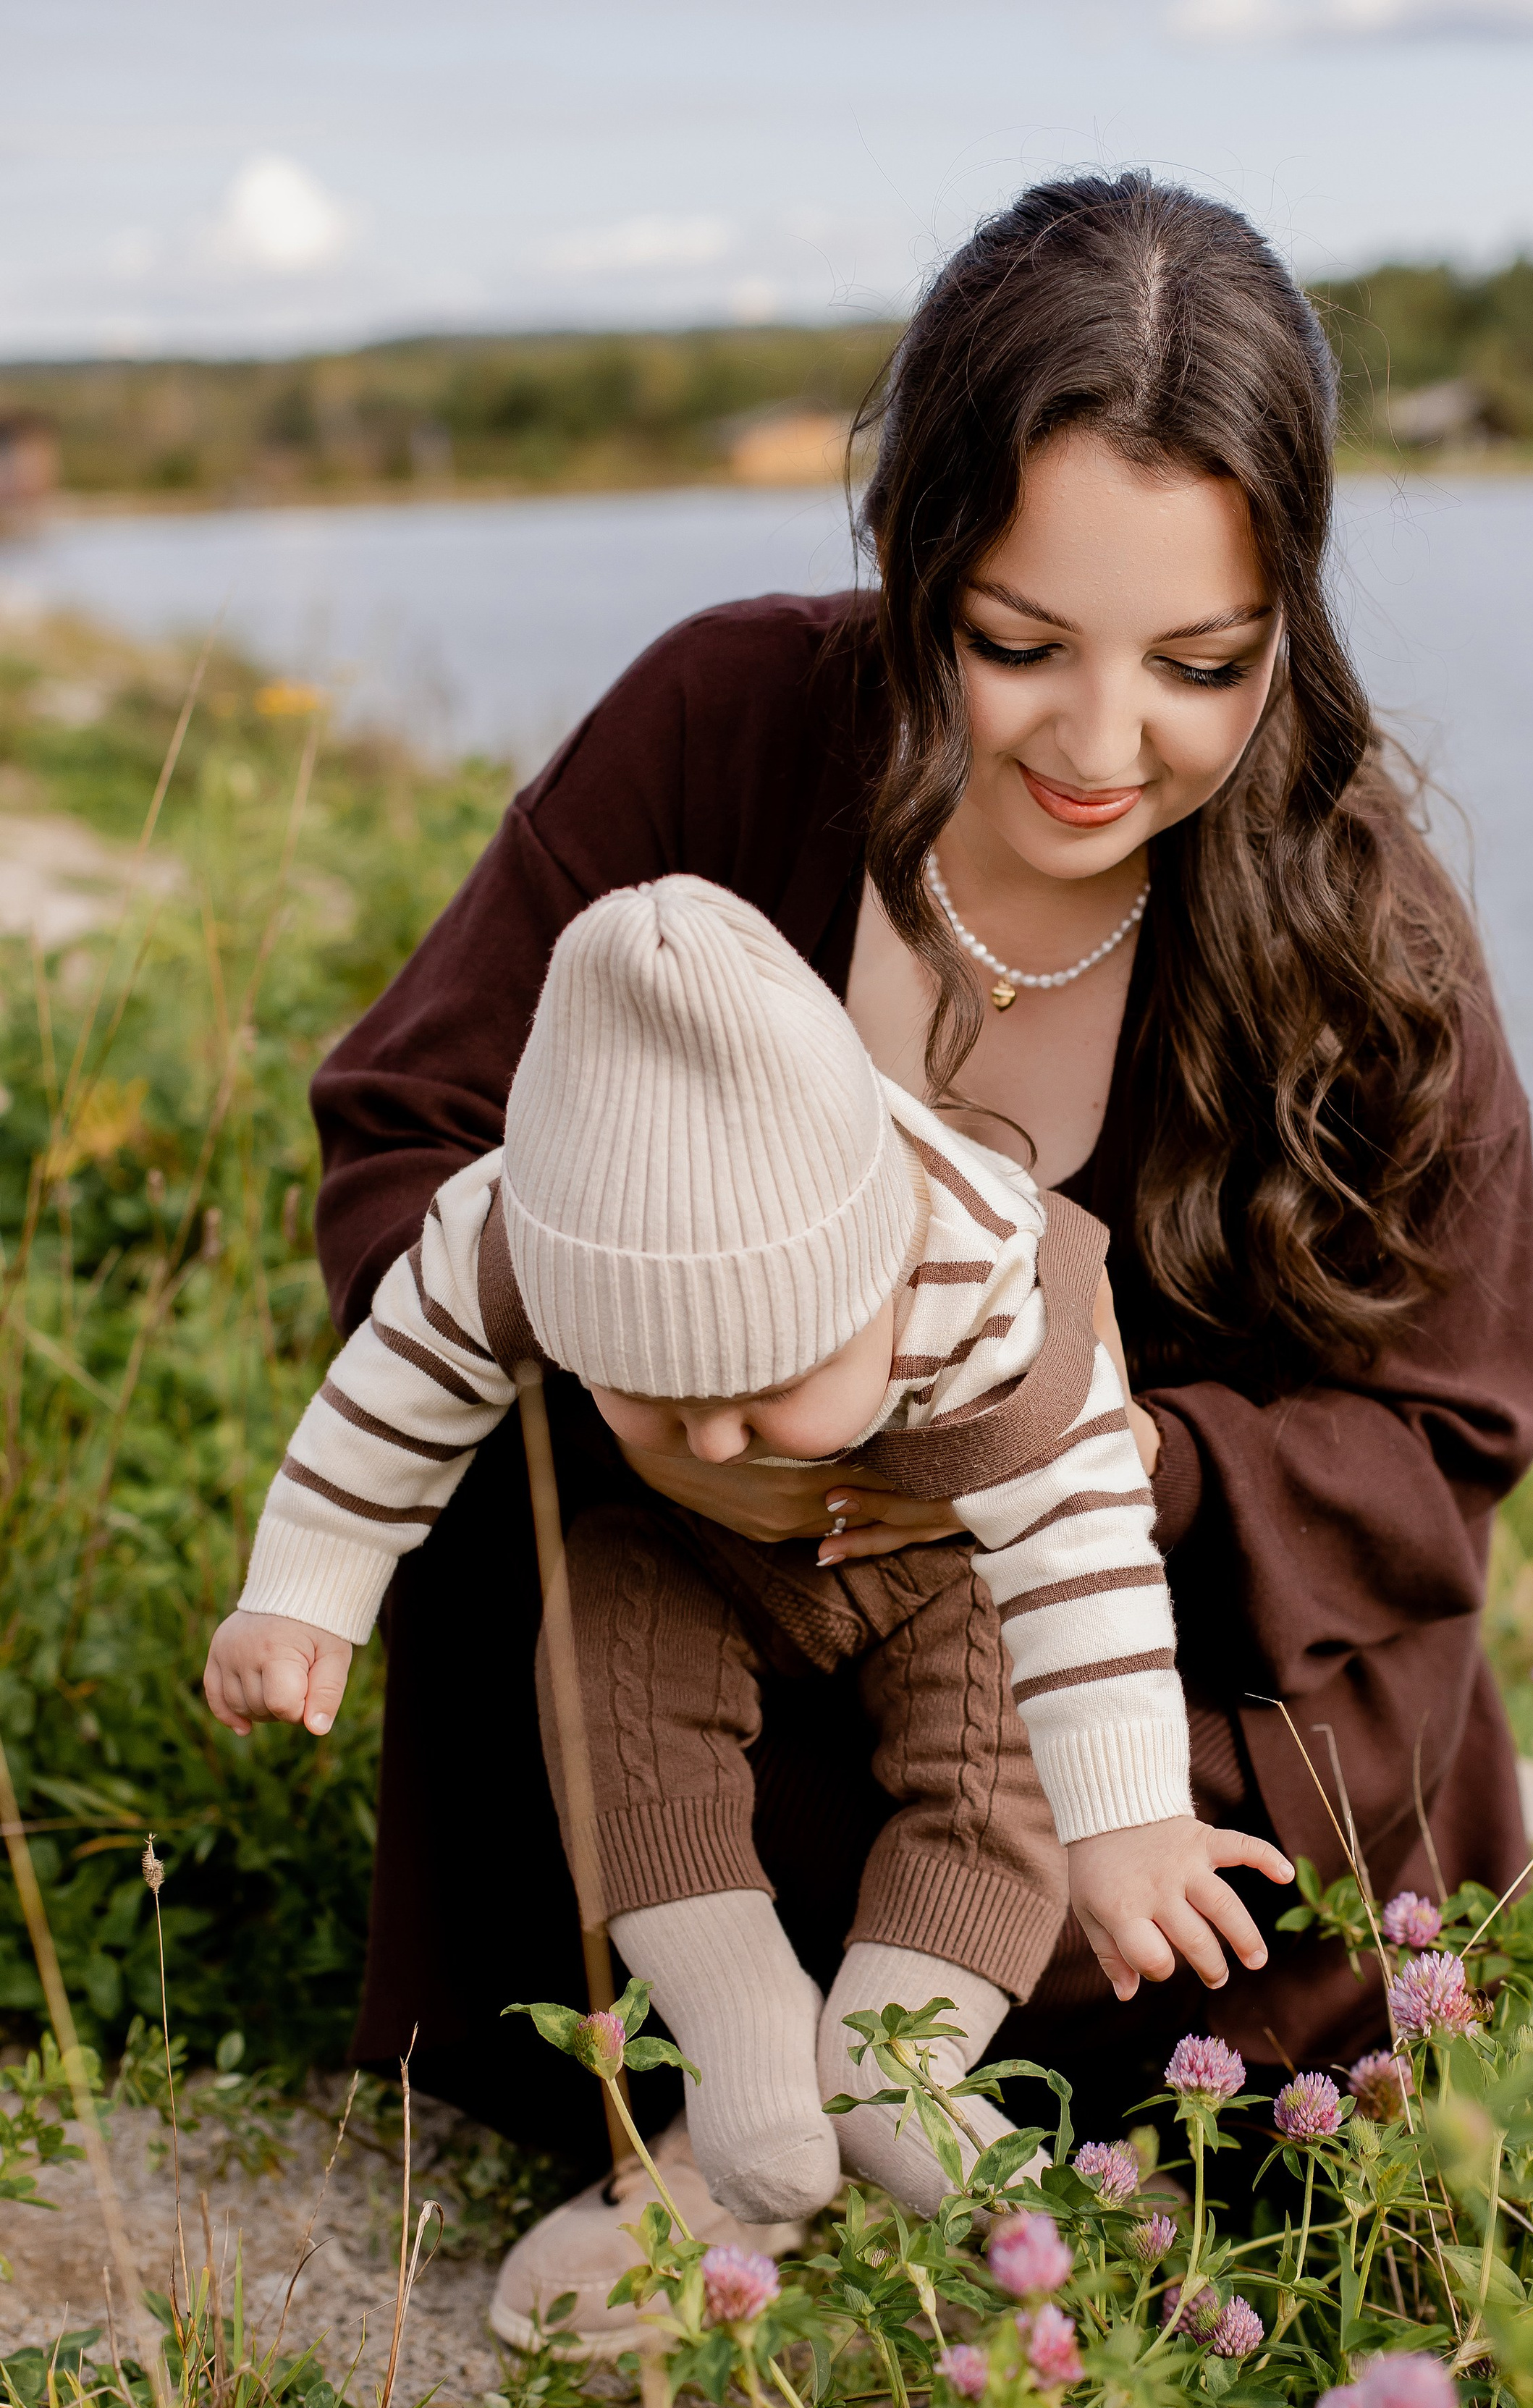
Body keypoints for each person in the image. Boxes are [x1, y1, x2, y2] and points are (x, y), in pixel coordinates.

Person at [306, 173, 1533, 2326]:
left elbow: (1444, 1442)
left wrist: (1078, 1452)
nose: (1096, 745)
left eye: (1200, 666)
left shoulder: (1364, 935)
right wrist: (652, 1393)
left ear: (1292, 622)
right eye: (1015, 645)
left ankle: (997, 2112)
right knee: (559, 1587)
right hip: (697, 1598)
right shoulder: (724, 732)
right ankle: (735, 2093)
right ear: (911, 569)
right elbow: (411, 1133)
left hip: (1113, 1652)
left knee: (1198, 1796)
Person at [205, 874, 1296, 2320]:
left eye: (763, 1393)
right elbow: (389, 1397)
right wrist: (299, 1598)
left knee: (994, 1751)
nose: (715, 1441)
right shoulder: (512, 1239)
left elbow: (1082, 1550)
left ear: (876, 1279)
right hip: (689, 1562)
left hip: (936, 1561)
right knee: (606, 1639)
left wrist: (1129, 1820)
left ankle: (897, 2065)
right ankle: (736, 2028)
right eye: (656, 1403)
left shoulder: (978, 1277)